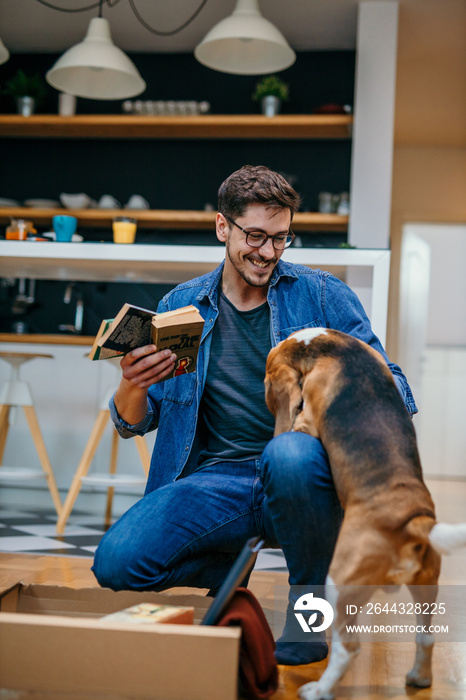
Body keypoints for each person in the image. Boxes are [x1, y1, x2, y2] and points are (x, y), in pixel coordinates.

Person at [92, 165, 417, 665]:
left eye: (281, 239)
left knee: (288, 452)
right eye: (256, 236)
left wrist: (337, 384)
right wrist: (132, 381)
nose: (267, 252)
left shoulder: (322, 295)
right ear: (224, 227)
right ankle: (228, 567)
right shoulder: (180, 306)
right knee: (116, 563)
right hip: (217, 480)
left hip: (305, 472)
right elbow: (134, 421)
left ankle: (310, 609)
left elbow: (393, 384)